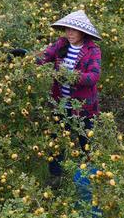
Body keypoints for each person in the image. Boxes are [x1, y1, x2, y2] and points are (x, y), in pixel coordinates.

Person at [36, 10, 102, 188]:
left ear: (83, 32)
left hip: (84, 107)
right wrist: (26, 58)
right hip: (61, 103)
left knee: (85, 143)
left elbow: (93, 77)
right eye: (67, 29)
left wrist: (70, 76)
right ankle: (55, 177)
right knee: (56, 140)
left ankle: (89, 181)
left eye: (73, 29)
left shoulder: (92, 50)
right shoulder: (61, 44)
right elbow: (43, 58)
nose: (69, 33)